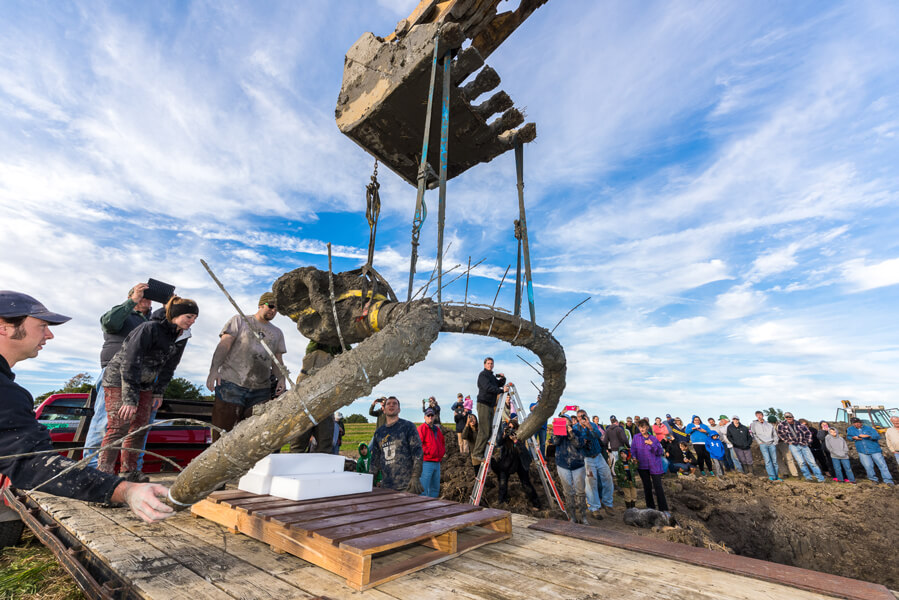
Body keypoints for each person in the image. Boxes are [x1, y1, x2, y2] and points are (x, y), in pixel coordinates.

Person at [0, 291, 172, 523]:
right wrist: (124, 490)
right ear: (5, 327)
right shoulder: (7, 394)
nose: (49, 335)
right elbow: (31, 462)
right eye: (42, 325)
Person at [100, 296, 198, 480]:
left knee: (139, 428)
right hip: (120, 380)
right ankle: (103, 476)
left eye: (194, 318)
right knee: (118, 427)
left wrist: (158, 391)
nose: (192, 322)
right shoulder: (149, 328)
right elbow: (130, 362)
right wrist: (129, 399)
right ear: (175, 314)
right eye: (189, 317)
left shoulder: (182, 335)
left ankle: (128, 473)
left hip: (146, 383)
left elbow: (170, 366)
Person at [84, 283, 154, 468]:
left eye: (149, 296)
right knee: (106, 421)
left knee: (139, 426)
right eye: (142, 295)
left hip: (143, 376)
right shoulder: (123, 313)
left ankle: (131, 469)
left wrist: (173, 305)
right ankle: (92, 468)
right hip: (115, 373)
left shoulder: (154, 322)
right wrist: (133, 300)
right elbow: (109, 323)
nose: (146, 299)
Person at [206, 293, 286, 442]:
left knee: (252, 438)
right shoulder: (240, 320)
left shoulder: (277, 333)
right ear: (261, 305)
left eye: (277, 309)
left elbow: (277, 360)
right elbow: (224, 345)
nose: (274, 311)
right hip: (232, 383)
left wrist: (282, 378)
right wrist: (213, 370)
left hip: (261, 389)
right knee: (222, 436)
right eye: (271, 306)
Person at [370, 397, 424, 492]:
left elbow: (417, 452)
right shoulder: (379, 432)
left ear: (399, 409)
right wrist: (370, 480)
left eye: (394, 404)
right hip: (386, 485)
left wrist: (415, 476)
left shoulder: (408, 426)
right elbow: (375, 459)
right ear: (384, 410)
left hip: (406, 485)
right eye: (388, 403)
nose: (391, 405)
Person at [490, 419, 541, 508]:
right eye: (510, 428)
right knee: (502, 483)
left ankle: (536, 503)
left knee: (526, 483)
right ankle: (502, 502)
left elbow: (523, 451)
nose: (511, 430)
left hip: (520, 461)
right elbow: (498, 443)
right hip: (507, 461)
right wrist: (504, 434)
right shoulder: (505, 436)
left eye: (514, 428)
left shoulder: (521, 436)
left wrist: (515, 441)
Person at [575, 410, 614, 518]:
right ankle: (594, 508)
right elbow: (581, 439)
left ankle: (607, 503)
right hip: (587, 458)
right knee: (591, 482)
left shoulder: (592, 424)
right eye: (579, 417)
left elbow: (597, 435)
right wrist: (587, 434)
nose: (581, 418)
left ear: (586, 416)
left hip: (598, 455)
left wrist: (589, 427)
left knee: (607, 477)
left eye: (583, 416)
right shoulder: (575, 428)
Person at [552, 415, 588, 525]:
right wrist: (559, 432)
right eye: (562, 421)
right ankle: (572, 516)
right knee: (568, 492)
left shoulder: (577, 432)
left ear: (570, 422)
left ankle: (583, 516)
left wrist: (571, 433)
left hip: (577, 464)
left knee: (580, 491)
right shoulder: (557, 433)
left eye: (566, 420)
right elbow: (555, 442)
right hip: (563, 464)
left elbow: (579, 444)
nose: (565, 422)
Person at [473, 357, 509, 466]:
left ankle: (482, 451)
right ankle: (477, 453)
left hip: (490, 405)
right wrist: (502, 390)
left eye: (491, 363)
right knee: (484, 430)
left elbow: (497, 384)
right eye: (488, 363)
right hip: (483, 403)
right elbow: (488, 387)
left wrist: (503, 379)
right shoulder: (483, 375)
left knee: (488, 431)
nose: (490, 365)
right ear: (484, 365)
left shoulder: (492, 377)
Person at [776, 412, 825, 483]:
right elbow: (780, 434)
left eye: (790, 417)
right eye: (787, 417)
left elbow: (808, 433)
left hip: (803, 445)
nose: (789, 419)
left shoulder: (799, 424)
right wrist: (788, 441)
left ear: (793, 417)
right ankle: (808, 478)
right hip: (793, 446)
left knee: (812, 462)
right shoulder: (782, 425)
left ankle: (820, 478)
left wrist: (807, 442)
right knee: (801, 462)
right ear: (785, 418)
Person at [631, 419, 669, 511]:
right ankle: (650, 509)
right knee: (647, 486)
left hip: (654, 465)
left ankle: (664, 509)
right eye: (640, 427)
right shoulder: (636, 437)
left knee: (658, 487)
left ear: (647, 427)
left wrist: (652, 444)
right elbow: (633, 449)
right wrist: (634, 457)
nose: (642, 429)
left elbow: (660, 452)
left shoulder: (653, 439)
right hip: (642, 466)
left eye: (643, 427)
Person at [846, 417, 894, 485]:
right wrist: (853, 438)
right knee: (868, 466)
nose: (857, 424)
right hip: (862, 451)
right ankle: (874, 480)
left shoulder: (869, 428)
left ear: (861, 422)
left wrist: (869, 436)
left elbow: (877, 436)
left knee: (882, 465)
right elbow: (849, 437)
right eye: (854, 423)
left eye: (858, 423)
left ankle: (888, 480)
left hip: (874, 449)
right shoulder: (850, 429)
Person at [417, 407, 445, 497]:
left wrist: (441, 452)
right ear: (424, 417)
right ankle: (421, 509)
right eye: (428, 415)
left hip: (437, 462)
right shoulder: (421, 428)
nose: (430, 417)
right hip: (426, 462)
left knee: (435, 489)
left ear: (434, 417)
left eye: (432, 415)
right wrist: (429, 452)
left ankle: (432, 509)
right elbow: (418, 445)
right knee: (423, 489)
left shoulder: (437, 430)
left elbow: (442, 442)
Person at [529, 394, 548, 458]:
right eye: (539, 397)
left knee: (542, 444)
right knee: (532, 443)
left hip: (543, 428)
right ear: (537, 398)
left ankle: (542, 457)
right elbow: (532, 409)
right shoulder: (533, 404)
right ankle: (531, 456)